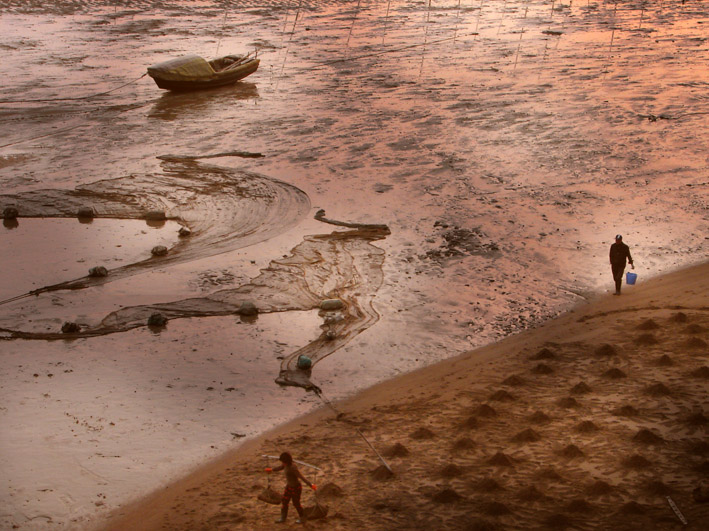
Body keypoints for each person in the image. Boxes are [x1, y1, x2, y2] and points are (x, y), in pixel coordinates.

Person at [265, 452, 317, 524]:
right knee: (285, 501)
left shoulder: (293, 467)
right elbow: (280, 467)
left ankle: (302, 517)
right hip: (289, 487)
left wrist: (311, 485)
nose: (283, 463)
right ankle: (283, 518)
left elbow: (301, 477)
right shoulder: (285, 464)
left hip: (296, 488)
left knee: (296, 503)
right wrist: (271, 469)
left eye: (284, 462)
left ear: (287, 461)